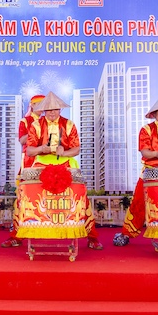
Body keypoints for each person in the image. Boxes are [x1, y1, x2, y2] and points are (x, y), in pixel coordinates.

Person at [25, 91, 102, 250]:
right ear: (44, 110)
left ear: (60, 109)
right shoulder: (36, 125)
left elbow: (76, 149)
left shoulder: (69, 124)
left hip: (65, 163)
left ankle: (92, 236)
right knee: (26, 194)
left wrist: (64, 153)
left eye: (55, 109)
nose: (52, 113)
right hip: (42, 163)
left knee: (81, 197)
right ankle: (23, 233)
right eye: (49, 110)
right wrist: (42, 149)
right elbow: (29, 151)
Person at [113, 99, 158, 247]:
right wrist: (157, 154)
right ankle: (127, 233)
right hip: (151, 171)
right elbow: (144, 151)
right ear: (154, 115)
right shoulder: (146, 130)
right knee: (139, 202)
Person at [2, 94, 45, 248]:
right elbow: (22, 140)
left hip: (48, 162)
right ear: (31, 105)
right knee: (23, 200)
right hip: (29, 162)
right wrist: (38, 130)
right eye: (37, 104)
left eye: (43, 104)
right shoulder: (25, 121)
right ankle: (17, 236)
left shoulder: (50, 121)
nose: (40, 107)